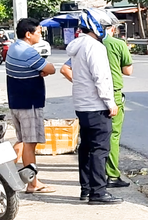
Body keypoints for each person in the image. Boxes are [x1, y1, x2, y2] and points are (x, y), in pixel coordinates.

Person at [62, 14, 133, 188]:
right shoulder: (96, 47)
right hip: (99, 104)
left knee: (86, 147)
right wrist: (110, 103)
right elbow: (101, 78)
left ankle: (86, 189)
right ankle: (99, 190)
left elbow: (67, 70)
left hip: (82, 104)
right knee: (101, 148)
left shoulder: (77, 47)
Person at [6, 18, 56, 194]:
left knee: (21, 140)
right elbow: (51, 69)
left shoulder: (13, 47)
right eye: (38, 32)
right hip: (30, 104)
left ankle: (6, 175)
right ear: (28, 34)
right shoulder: (28, 52)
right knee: (29, 144)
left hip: (16, 102)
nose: (40, 35)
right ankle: (33, 183)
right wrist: (42, 71)